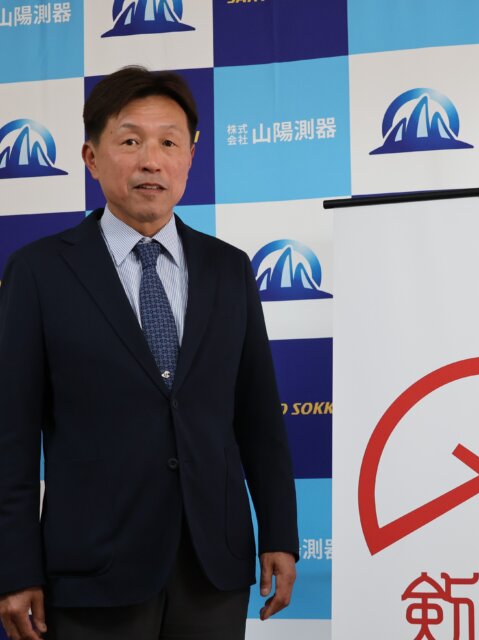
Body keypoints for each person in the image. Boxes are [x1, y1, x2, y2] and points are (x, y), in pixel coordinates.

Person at [0, 66, 298, 640]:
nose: (151, 161)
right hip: (92, 569)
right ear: (91, 157)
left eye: (168, 142)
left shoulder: (229, 268)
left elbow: (259, 419)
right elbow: (9, 437)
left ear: (191, 156)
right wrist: (14, 567)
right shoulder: (38, 272)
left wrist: (280, 534)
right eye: (131, 141)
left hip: (213, 566)